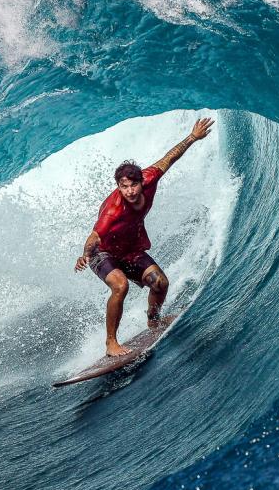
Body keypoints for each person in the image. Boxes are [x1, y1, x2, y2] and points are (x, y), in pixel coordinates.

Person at [74, 117, 215, 356]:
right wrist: (85, 255)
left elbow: (169, 158)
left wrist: (193, 137)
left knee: (160, 283)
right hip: (103, 253)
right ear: (118, 186)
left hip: (130, 250)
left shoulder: (150, 178)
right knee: (120, 286)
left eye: (132, 185)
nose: (128, 191)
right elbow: (94, 236)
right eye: (123, 186)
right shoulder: (113, 210)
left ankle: (153, 320)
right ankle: (111, 343)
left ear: (142, 182)